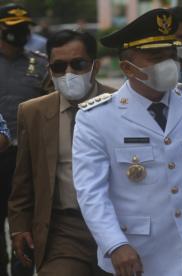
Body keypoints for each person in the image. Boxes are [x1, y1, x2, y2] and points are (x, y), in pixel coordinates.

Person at [72, 8, 182, 276]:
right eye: (156, 58)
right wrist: (114, 245)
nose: (168, 64)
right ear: (127, 67)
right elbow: (91, 193)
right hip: (138, 254)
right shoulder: (96, 118)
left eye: (171, 56)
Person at [7, 30, 115, 276]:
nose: (69, 74)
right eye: (58, 66)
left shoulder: (119, 104)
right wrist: (19, 226)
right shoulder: (33, 112)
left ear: (94, 66)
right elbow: (23, 176)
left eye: (78, 65)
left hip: (118, 224)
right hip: (64, 229)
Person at [0, 4, 48, 275]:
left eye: (23, 29)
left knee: (25, 226)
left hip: (28, 159)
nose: (19, 34)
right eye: (13, 29)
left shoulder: (40, 64)